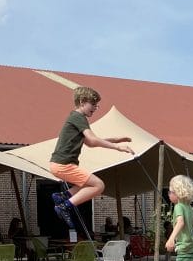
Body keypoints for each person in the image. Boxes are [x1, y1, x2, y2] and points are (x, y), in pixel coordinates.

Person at [49, 86, 134, 229]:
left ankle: (63, 196)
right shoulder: (78, 117)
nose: (95, 108)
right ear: (82, 102)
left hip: (59, 164)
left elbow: (90, 142)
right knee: (98, 185)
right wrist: (117, 147)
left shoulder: (75, 118)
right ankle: (64, 206)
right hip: (63, 164)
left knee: (88, 184)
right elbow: (93, 140)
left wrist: (115, 139)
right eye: (93, 104)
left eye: (96, 105)